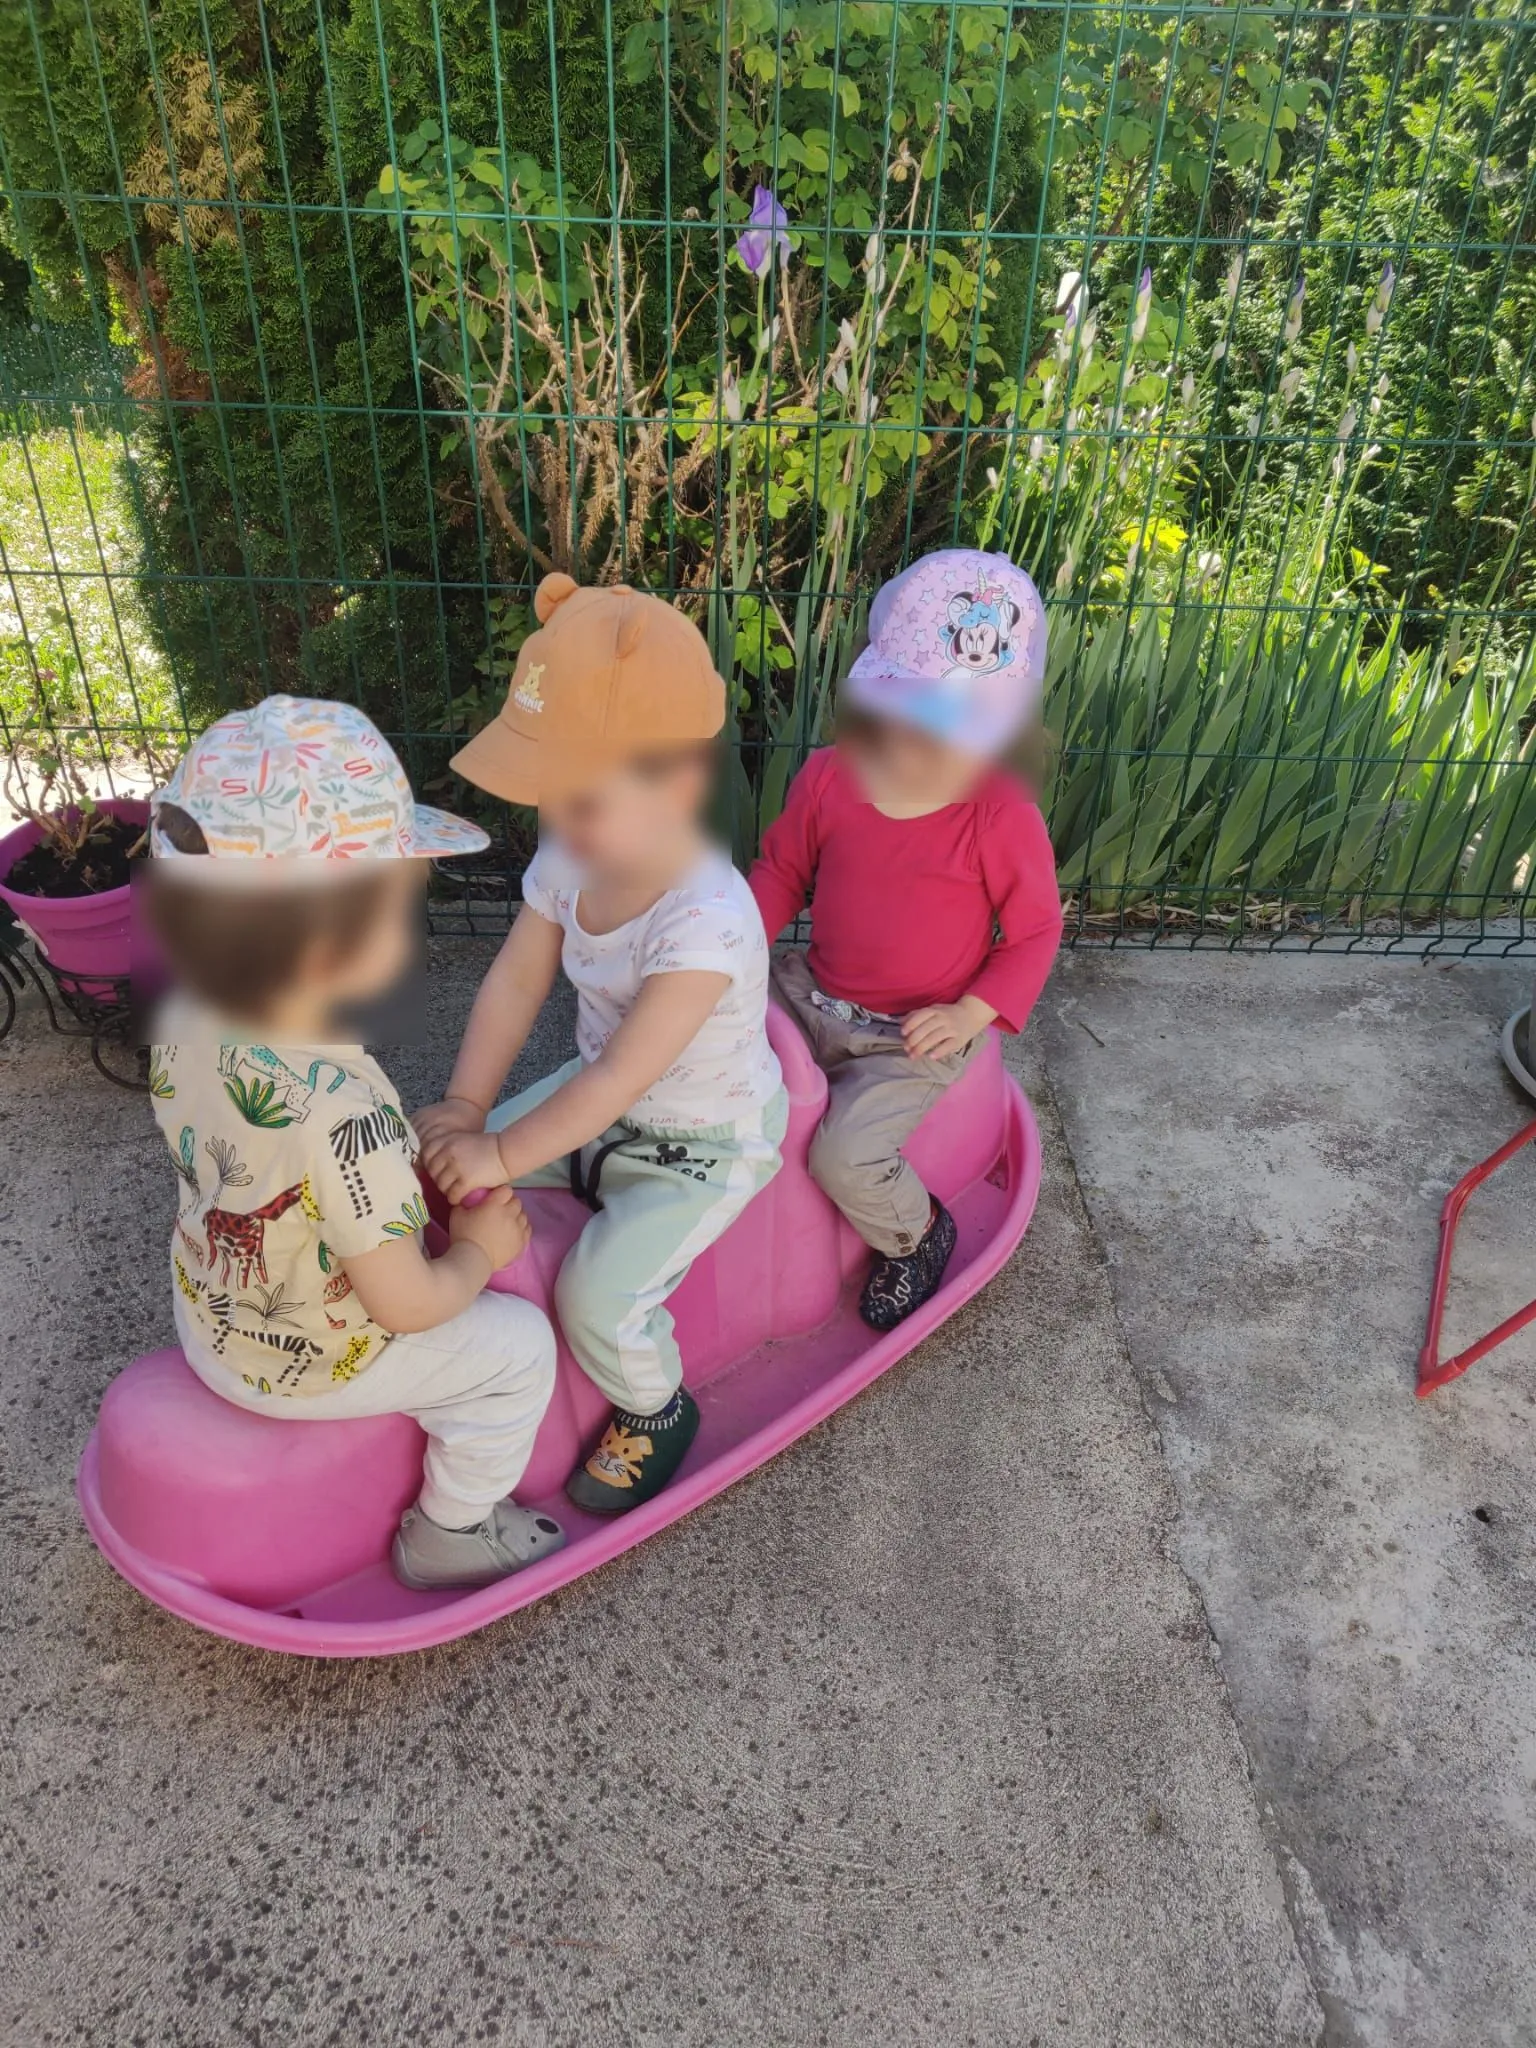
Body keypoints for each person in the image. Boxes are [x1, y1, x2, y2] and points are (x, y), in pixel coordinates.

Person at [143, 695, 565, 1593]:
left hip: (209, 1320)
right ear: (337, 942)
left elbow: (262, 1159)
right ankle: (454, 1528)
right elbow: (410, 1303)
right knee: (520, 1346)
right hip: (311, 1360)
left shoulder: (180, 1023)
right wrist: (480, 1257)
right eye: (401, 909)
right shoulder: (346, 1111)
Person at [416, 574, 786, 1517]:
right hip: (599, 1101)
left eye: (583, 801)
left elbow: (627, 1071)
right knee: (442, 1164)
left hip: (700, 1144)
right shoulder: (570, 858)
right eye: (551, 801)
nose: (558, 827)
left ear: (682, 782)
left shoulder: (708, 920)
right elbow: (516, 980)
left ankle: (655, 1406)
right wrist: (467, 1108)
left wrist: (502, 1149)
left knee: (596, 1295)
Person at [749, 548, 1063, 1331]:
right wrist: (731, 952)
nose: (932, 744)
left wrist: (970, 1014)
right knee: (698, 1050)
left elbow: (1034, 930)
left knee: (843, 1155)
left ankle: (915, 1235)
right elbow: (782, 870)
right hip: (811, 990)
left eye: (964, 726)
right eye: (913, 716)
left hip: (913, 1033)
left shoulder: (999, 813)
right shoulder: (830, 777)